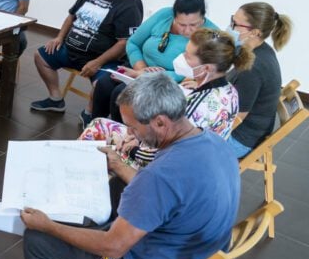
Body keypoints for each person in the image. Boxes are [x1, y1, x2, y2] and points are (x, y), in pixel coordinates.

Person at [11, 73, 240, 259]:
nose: (129, 134)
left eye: (132, 127)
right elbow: (167, 198)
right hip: (199, 258)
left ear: (160, 122)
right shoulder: (214, 142)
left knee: (38, 240)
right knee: (114, 194)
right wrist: (120, 166)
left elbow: (113, 247)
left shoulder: (161, 176)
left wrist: (47, 225)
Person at [81, 29, 254, 174]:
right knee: (110, 127)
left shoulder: (199, 107)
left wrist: (134, 148)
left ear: (207, 68)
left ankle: (80, 177)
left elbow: (166, 150)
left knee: (98, 128)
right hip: (197, 163)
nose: (181, 57)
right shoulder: (229, 91)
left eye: (187, 56)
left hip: (167, 169)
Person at [30, 0, 143, 120]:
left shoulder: (129, 4)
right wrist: (59, 37)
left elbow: (123, 44)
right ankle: (55, 99)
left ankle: (89, 113)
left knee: (102, 85)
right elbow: (71, 16)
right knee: (40, 56)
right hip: (71, 50)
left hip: (103, 59)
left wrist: (97, 62)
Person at [90, 0, 217, 123]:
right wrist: (141, 68)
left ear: (203, 19)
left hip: (167, 82)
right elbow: (133, 43)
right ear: (174, 16)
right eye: (181, 24)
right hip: (138, 67)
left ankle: (124, 138)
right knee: (103, 85)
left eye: (193, 25)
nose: (187, 31)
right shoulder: (164, 15)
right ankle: (96, 129)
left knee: (121, 94)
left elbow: (195, 73)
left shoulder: (210, 34)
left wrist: (147, 75)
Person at [227, 2, 293, 157]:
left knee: (176, 138)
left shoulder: (253, 68)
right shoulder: (257, 49)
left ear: (254, 32)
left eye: (235, 24)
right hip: (248, 130)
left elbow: (236, 119)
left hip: (240, 139)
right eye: (232, 20)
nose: (230, 27)